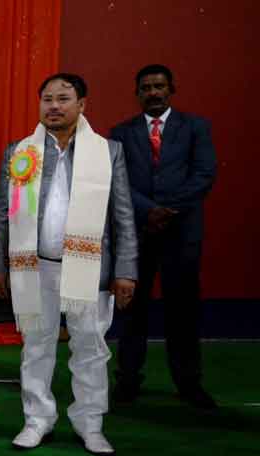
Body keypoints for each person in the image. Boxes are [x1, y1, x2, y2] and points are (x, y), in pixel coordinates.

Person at [0, 73, 137, 456]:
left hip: (90, 270)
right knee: (36, 346)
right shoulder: (21, 152)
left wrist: (125, 270)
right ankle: (37, 420)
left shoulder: (108, 152)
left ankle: (90, 424)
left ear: (82, 105)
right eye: (47, 99)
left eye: (63, 98)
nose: (54, 106)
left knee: (90, 347)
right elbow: (3, 212)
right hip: (34, 268)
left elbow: (122, 215)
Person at [111, 64, 218, 408]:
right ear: (137, 93)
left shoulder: (196, 127)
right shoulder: (121, 133)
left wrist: (168, 209)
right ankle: (127, 381)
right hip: (137, 234)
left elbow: (204, 174)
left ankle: (189, 383)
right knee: (132, 311)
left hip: (181, 233)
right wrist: (148, 211)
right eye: (146, 88)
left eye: (159, 86)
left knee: (183, 312)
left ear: (171, 89)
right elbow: (118, 179)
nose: (153, 93)